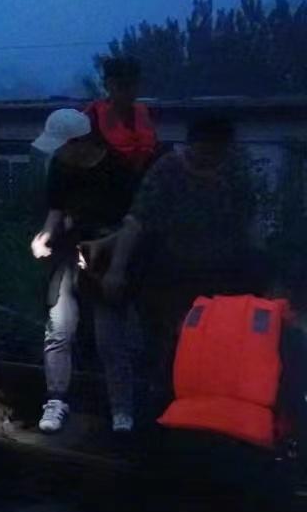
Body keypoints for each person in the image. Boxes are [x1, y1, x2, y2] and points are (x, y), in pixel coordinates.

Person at [90, 114, 268, 416]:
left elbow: (249, 223)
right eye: (207, 149)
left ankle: (209, 408)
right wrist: (116, 269)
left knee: (215, 345)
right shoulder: (168, 170)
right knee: (168, 344)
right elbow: (136, 221)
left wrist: (259, 264)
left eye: (218, 151)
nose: (212, 157)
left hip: (220, 277)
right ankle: (162, 407)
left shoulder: (233, 172)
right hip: (170, 275)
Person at [29, 108, 144, 434]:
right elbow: (57, 209)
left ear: (78, 142)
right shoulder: (61, 166)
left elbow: (135, 224)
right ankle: (56, 399)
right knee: (58, 328)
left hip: (108, 255)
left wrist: (115, 265)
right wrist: (45, 235)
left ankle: (121, 407)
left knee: (110, 338)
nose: (57, 153)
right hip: (70, 251)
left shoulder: (118, 169)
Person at [85, 56, 159, 175]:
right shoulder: (91, 119)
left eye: (133, 84)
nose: (128, 90)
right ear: (106, 85)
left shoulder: (146, 114)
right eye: (121, 85)